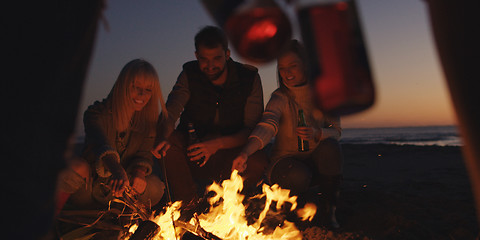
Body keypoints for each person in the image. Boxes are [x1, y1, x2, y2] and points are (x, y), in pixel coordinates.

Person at [232, 39, 343, 228]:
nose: (286, 73)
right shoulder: (280, 97)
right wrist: (246, 152)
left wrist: (317, 133)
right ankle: (287, 211)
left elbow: (337, 132)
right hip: (284, 165)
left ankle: (328, 210)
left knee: (331, 148)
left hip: (315, 163)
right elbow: (267, 126)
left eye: (293, 66)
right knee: (298, 175)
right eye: (282, 68)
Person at [152, 26, 268, 205]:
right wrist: (163, 135)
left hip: (230, 154)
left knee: (256, 160)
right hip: (193, 151)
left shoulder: (249, 78)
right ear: (197, 55)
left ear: (227, 54)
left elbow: (250, 129)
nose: (210, 65)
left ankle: (229, 206)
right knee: (168, 144)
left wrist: (216, 144)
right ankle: (188, 207)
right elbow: (170, 111)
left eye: (217, 58)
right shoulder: (189, 74)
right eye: (204, 59)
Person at [55, 59, 166, 215]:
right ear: (123, 85)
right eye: (136, 87)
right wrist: (117, 171)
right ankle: (50, 219)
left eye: (148, 90)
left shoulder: (147, 124)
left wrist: (139, 173)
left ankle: (127, 216)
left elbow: (144, 154)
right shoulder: (96, 113)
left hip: (122, 194)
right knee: (75, 167)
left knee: (156, 187)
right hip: (90, 190)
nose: (142, 94)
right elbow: (100, 144)